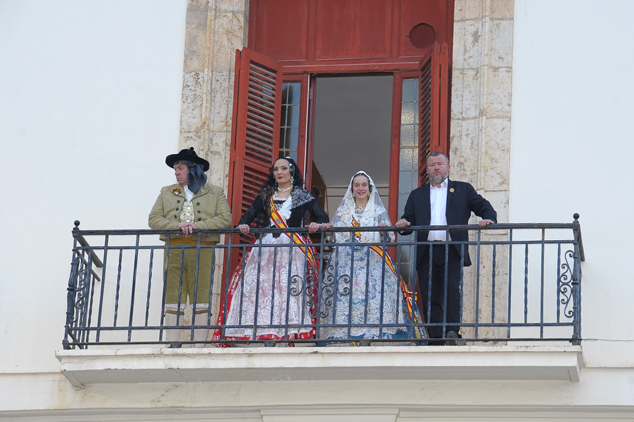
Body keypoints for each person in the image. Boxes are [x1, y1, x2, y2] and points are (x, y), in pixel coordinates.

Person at [213, 157, 330, 344]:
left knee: (289, 289)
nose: (279, 172)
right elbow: (246, 218)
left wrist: (317, 225)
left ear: (292, 171)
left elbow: (323, 217)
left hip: (292, 249)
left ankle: (290, 332)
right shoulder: (266, 195)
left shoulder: (303, 195)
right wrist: (244, 226)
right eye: (276, 169)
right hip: (266, 250)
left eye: (284, 168)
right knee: (263, 290)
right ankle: (262, 332)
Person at [395, 152, 496, 345]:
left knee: (451, 291)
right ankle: (435, 336)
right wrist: (403, 224)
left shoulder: (463, 189)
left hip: (452, 250)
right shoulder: (417, 194)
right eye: (432, 165)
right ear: (427, 170)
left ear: (448, 167)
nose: (436, 168)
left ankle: (451, 332)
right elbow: (409, 220)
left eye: (440, 164)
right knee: (430, 294)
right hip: (427, 250)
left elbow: (482, 205)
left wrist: (488, 218)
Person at [318, 171, 425, 344]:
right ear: (352, 189)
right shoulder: (343, 211)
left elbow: (389, 238)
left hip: (373, 264)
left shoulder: (377, 210)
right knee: (347, 298)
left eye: (364, 185)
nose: (360, 188)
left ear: (370, 188)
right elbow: (334, 239)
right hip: (347, 265)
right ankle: (346, 335)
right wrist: (329, 232)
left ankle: (374, 335)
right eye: (357, 185)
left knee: (374, 297)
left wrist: (383, 231)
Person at [149, 147, 232, 347]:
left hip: (203, 247)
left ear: (193, 169)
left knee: (201, 293)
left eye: (180, 168)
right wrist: (177, 226)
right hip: (174, 247)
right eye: (175, 169)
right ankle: (174, 344)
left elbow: (225, 219)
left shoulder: (214, 192)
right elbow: (153, 219)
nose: (176, 172)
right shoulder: (166, 192)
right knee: (172, 294)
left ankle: (200, 345)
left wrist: (197, 227)